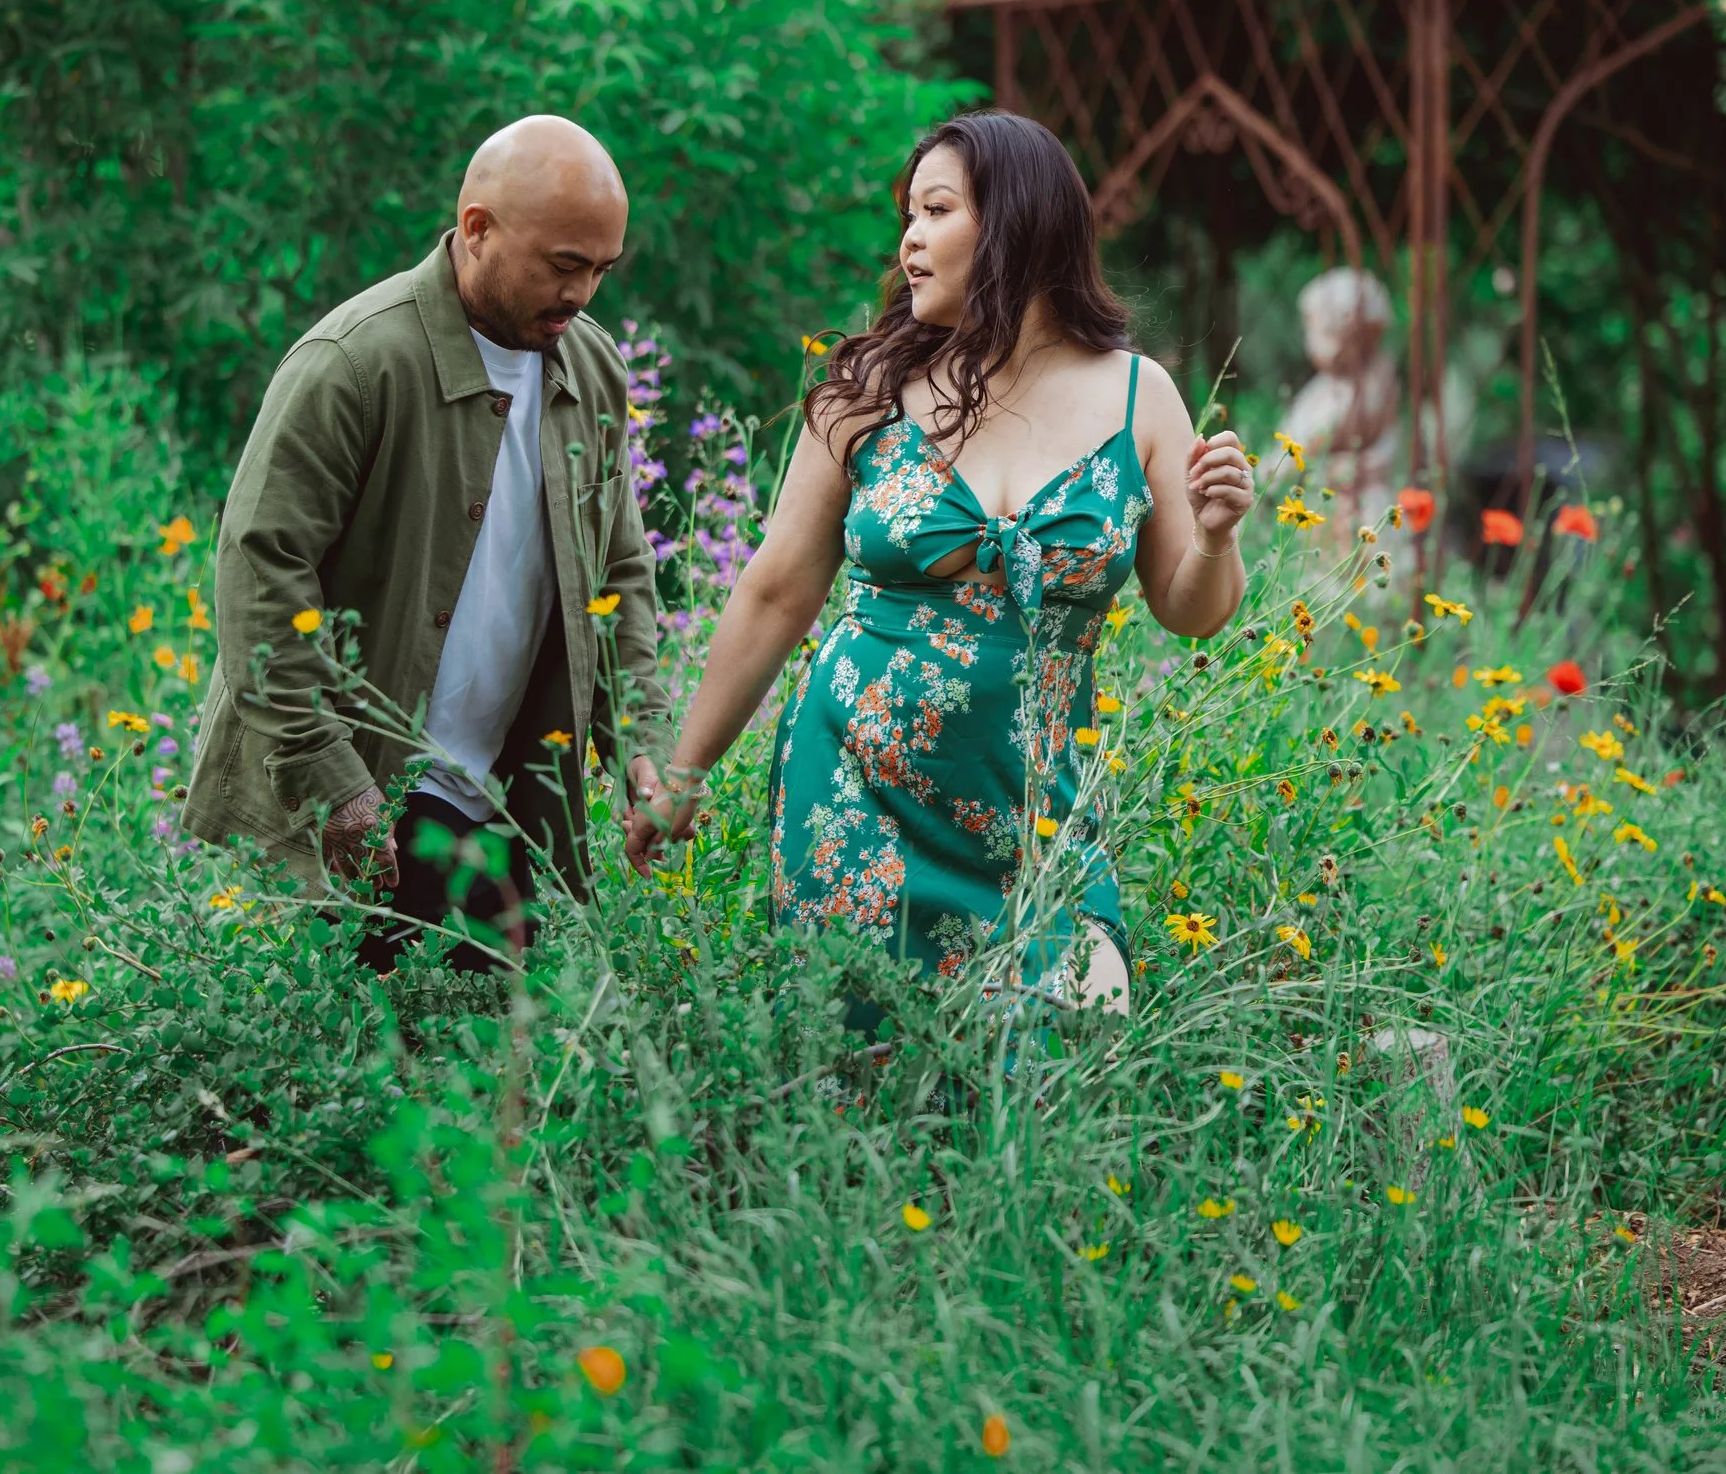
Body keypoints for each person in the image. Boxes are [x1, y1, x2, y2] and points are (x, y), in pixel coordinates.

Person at [626, 111, 1254, 1021]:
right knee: (860, 1079)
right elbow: (775, 591)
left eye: (936, 210)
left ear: (1013, 222)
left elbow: (1190, 610)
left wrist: (1216, 535)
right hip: (854, 794)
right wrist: (684, 774)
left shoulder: (1138, 394)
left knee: (1062, 1059)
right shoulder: (865, 393)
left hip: (1034, 812)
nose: (909, 240)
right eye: (907, 218)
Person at [184, 115, 669, 970]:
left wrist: (644, 745)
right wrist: (334, 781)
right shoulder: (355, 361)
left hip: (510, 809)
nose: (586, 292)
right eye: (565, 265)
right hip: (357, 809)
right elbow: (259, 570)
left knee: (496, 1082)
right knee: (337, 1085)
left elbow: (620, 574)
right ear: (477, 230)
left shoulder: (591, 369)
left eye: (602, 269)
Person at [1260, 267, 1473, 541]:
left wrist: (1266, 477)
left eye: (1313, 328)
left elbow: (1303, 443)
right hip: (1347, 500)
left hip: (1344, 507)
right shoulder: (1357, 382)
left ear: (1344, 336)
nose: (1308, 339)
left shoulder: (1353, 393)